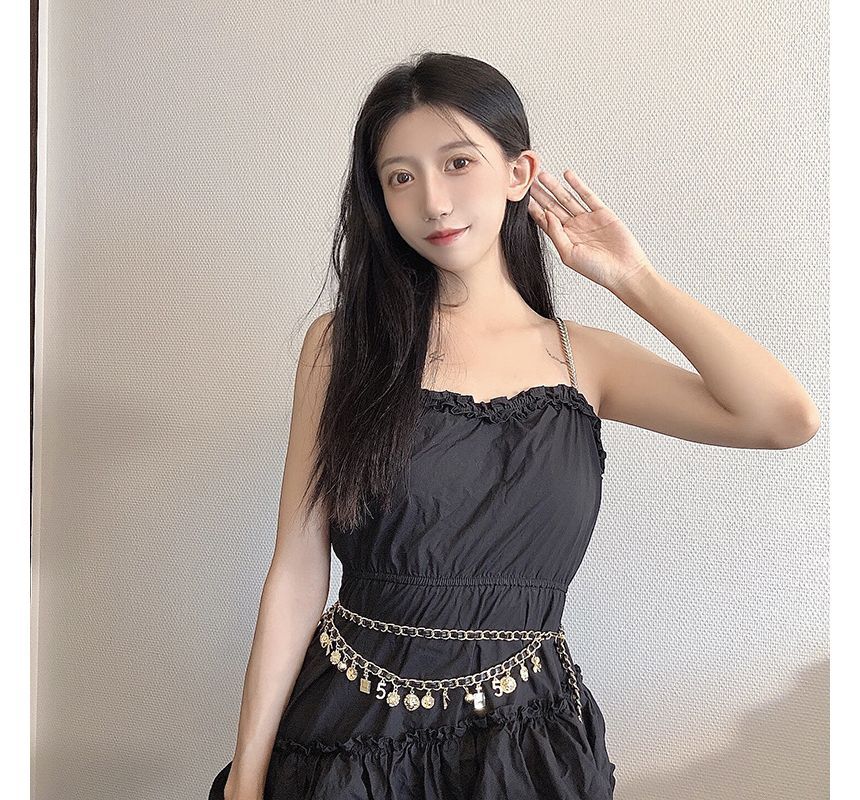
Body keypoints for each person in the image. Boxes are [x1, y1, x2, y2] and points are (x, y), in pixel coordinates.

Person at [208, 52, 820, 800]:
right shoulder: (343, 346)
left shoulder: (585, 360)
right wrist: (247, 776)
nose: (434, 201)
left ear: (518, 172)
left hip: (526, 748)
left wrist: (633, 279)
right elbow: (297, 572)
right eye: (400, 177)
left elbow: (783, 418)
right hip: (351, 737)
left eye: (457, 162)